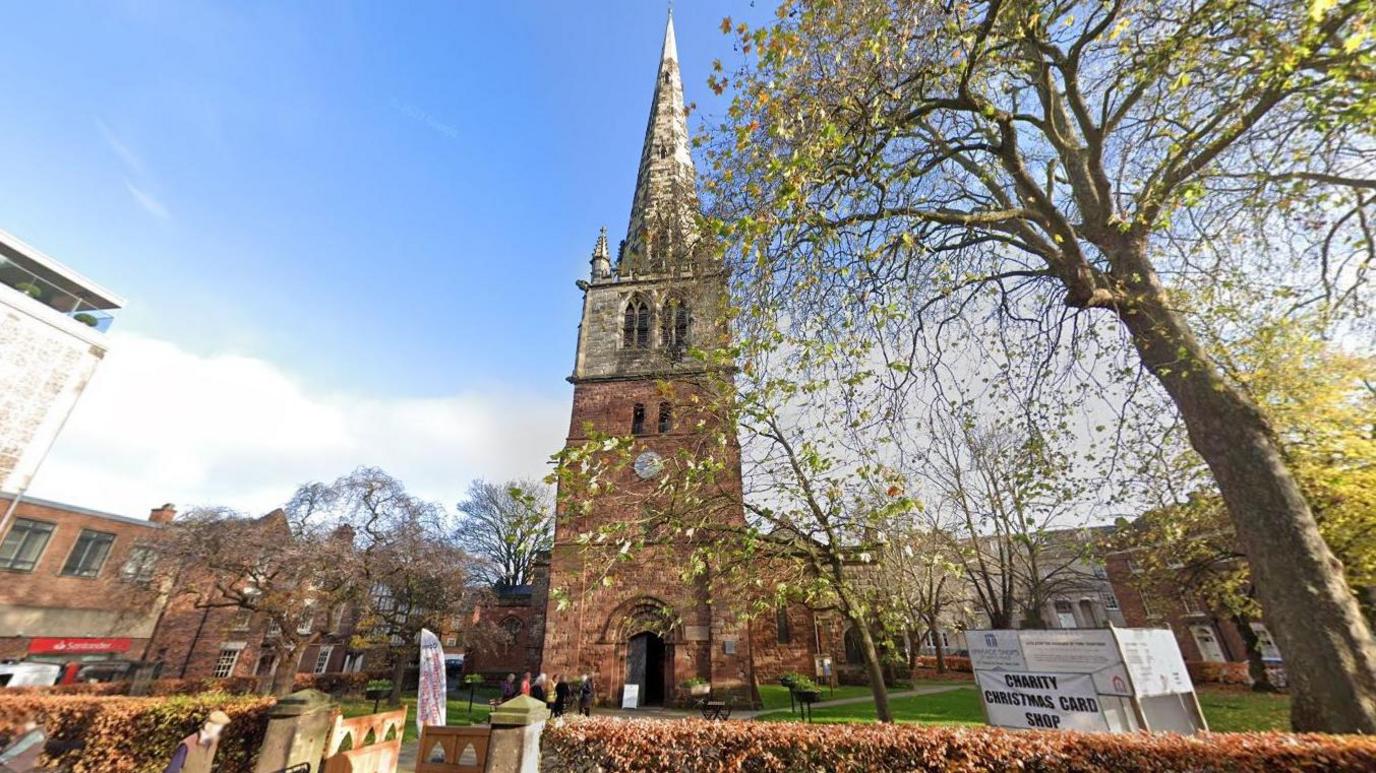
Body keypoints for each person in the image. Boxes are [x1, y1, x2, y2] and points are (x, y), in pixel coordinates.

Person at [163, 710, 231, 773]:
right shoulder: (187, 745)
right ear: (208, 726)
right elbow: (171, 771)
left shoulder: (213, 743)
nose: (218, 734)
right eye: (217, 730)